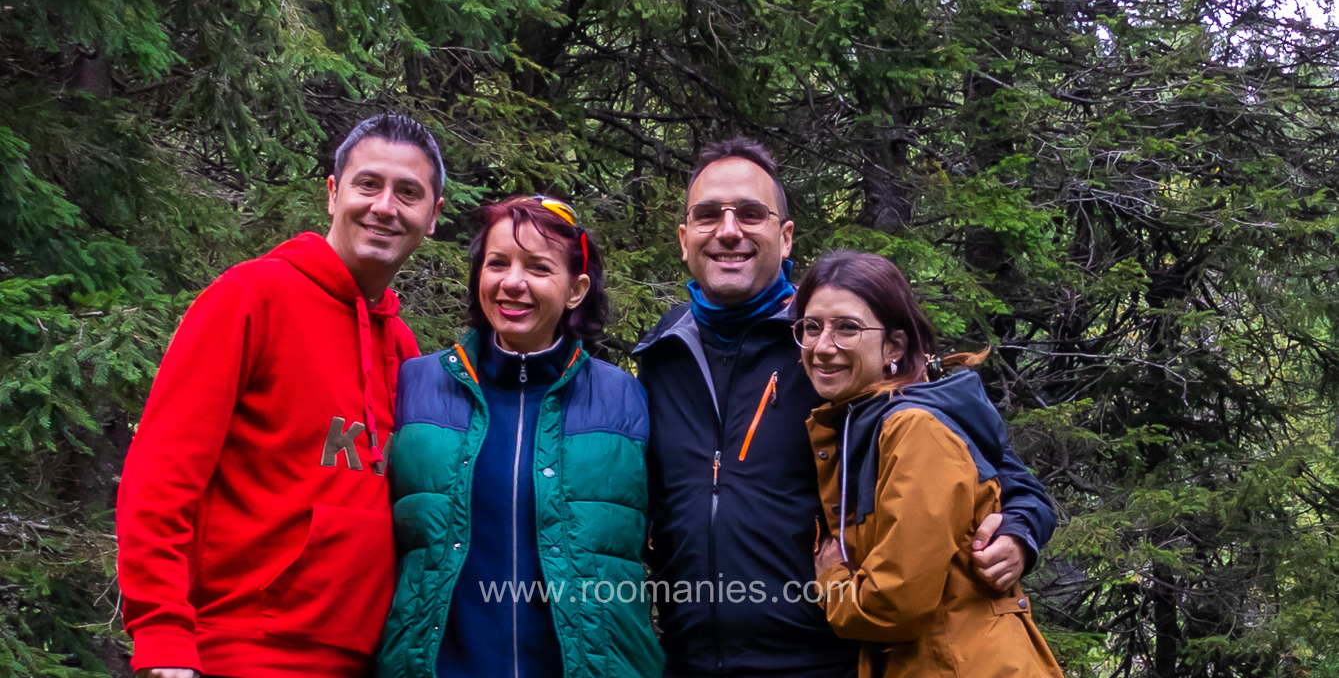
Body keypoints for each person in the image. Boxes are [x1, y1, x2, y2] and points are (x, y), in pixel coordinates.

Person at [633, 137, 1056, 678]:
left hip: (827, 659)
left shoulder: (834, 351)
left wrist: (1022, 529)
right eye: (709, 215)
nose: (729, 230)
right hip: (688, 661)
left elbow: (989, 468)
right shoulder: (660, 357)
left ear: (785, 237)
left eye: (751, 214)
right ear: (684, 237)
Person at [116, 113, 446, 678]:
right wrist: (163, 637)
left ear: (432, 217)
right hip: (239, 653)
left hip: (367, 661)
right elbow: (162, 476)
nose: (385, 206)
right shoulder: (249, 298)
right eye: (368, 184)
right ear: (333, 193)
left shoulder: (404, 348)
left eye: (408, 193)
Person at [377, 196, 664, 678]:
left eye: (538, 267)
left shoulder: (625, 399)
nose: (513, 282)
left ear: (576, 289)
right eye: (497, 263)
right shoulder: (416, 387)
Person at [798, 249, 1062, 678]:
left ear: (894, 346)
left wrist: (831, 578)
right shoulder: (860, 420)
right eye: (812, 328)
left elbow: (894, 604)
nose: (823, 347)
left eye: (847, 328)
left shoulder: (914, 430)